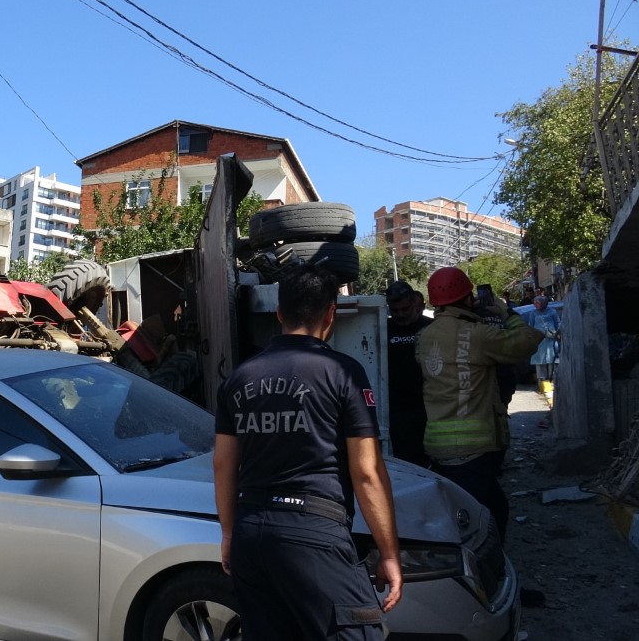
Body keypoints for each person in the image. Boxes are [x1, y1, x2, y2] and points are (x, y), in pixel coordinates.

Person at [214, 263, 402, 639]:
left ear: (279, 312)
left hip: (252, 534)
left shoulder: (239, 378)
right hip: (314, 534)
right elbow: (366, 472)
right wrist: (389, 553)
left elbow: (223, 465)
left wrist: (230, 534)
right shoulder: (343, 373)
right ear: (330, 314)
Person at [418, 267, 541, 541]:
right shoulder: (475, 334)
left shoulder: (425, 336)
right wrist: (506, 313)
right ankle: (484, 566)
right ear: (466, 298)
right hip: (470, 449)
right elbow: (525, 342)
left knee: (486, 509)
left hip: (437, 445)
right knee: (482, 520)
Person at [384, 280, 431, 466]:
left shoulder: (430, 327)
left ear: (414, 304)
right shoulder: (383, 328)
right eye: (395, 310)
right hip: (397, 409)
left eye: (405, 309)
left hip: (428, 405)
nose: (400, 314)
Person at [525, 295, 561, 390]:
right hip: (539, 340)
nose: (535, 305)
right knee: (540, 362)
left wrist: (557, 333)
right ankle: (542, 385)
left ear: (543, 303)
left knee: (552, 361)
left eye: (537, 303)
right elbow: (530, 326)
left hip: (551, 339)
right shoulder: (533, 313)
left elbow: (558, 323)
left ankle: (553, 383)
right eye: (534, 303)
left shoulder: (552, 311)